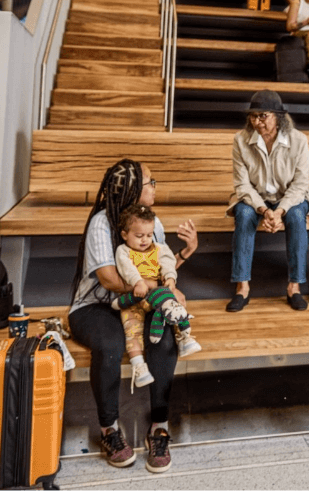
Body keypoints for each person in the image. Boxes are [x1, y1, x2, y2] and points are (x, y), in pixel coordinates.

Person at [68, 159, 200, 474]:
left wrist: (184, 255)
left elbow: (160, 266)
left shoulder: (153, 223)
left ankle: (159, 426)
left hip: (140, 305)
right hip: (95, 306)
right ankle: (109, 430)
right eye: (151, 182)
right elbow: (110, 280)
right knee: (111, 346)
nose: (155, 187)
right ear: (132, 191)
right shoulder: (102, 223)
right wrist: (162, 291)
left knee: (165, 339)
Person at [227, 91, 309, 313]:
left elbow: (300, 185)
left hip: (290, 199)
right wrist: (263, 209)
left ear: (278, 117)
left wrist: (280, 212)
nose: (257, 122)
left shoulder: (299, 141)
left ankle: (294, 287)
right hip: (256, 199)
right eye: (253, 116)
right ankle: (242, 288)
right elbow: (242, 186)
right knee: (244, 214)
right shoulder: (241, 140)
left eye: (263, 116)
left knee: (297, 216)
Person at [109, 205, 201, 391]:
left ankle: (184, 337)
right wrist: (138, 281)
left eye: (149, 235)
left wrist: (170, 278)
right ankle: (138, 366)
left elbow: (168, 263)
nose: (145, 240)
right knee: (132, 330)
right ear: (125, 234)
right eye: (139, 235)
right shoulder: (123, 251)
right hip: (133, 299)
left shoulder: (159, 248)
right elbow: (127, 268)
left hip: (155, 297)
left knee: (170, 306)